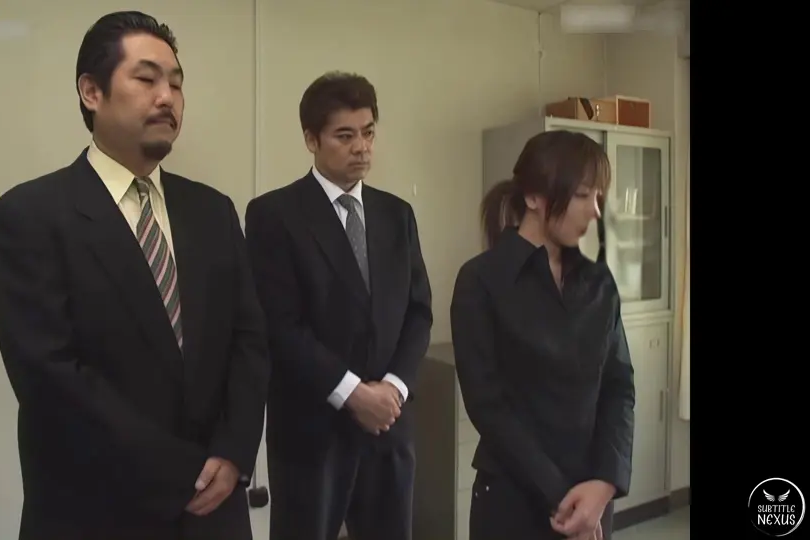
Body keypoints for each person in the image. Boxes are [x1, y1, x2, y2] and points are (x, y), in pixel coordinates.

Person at [0, 11, 269, 540]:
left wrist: (234, 453)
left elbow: (249, 341)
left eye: (176, 83)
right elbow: (51, 379)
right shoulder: (29, 216)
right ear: (92, 92)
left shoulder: (213, 211)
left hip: (216, 510)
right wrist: (183, 473)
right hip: (95, 510)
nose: (167, 97)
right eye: (146, 79)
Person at [244, 71, 432, 540]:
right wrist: (353, 394)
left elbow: (418, 312)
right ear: (311, 139)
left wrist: (393, 389)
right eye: (344, 136)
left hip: (388, 425)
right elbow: (280, 325)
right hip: (313, 429)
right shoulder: (274, 215)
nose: (361, 148)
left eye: (368, 133)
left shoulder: (396, 215)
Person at [450, 130, 636, 540]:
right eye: (583, 195)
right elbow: (488, 406)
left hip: (590, 500)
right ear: (533, 197)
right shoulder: (481, 280)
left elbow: (619, 386)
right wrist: (563, 497)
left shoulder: (599, 282)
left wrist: (604, 484)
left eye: (598, 197)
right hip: (514, 501)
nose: (595, 212)